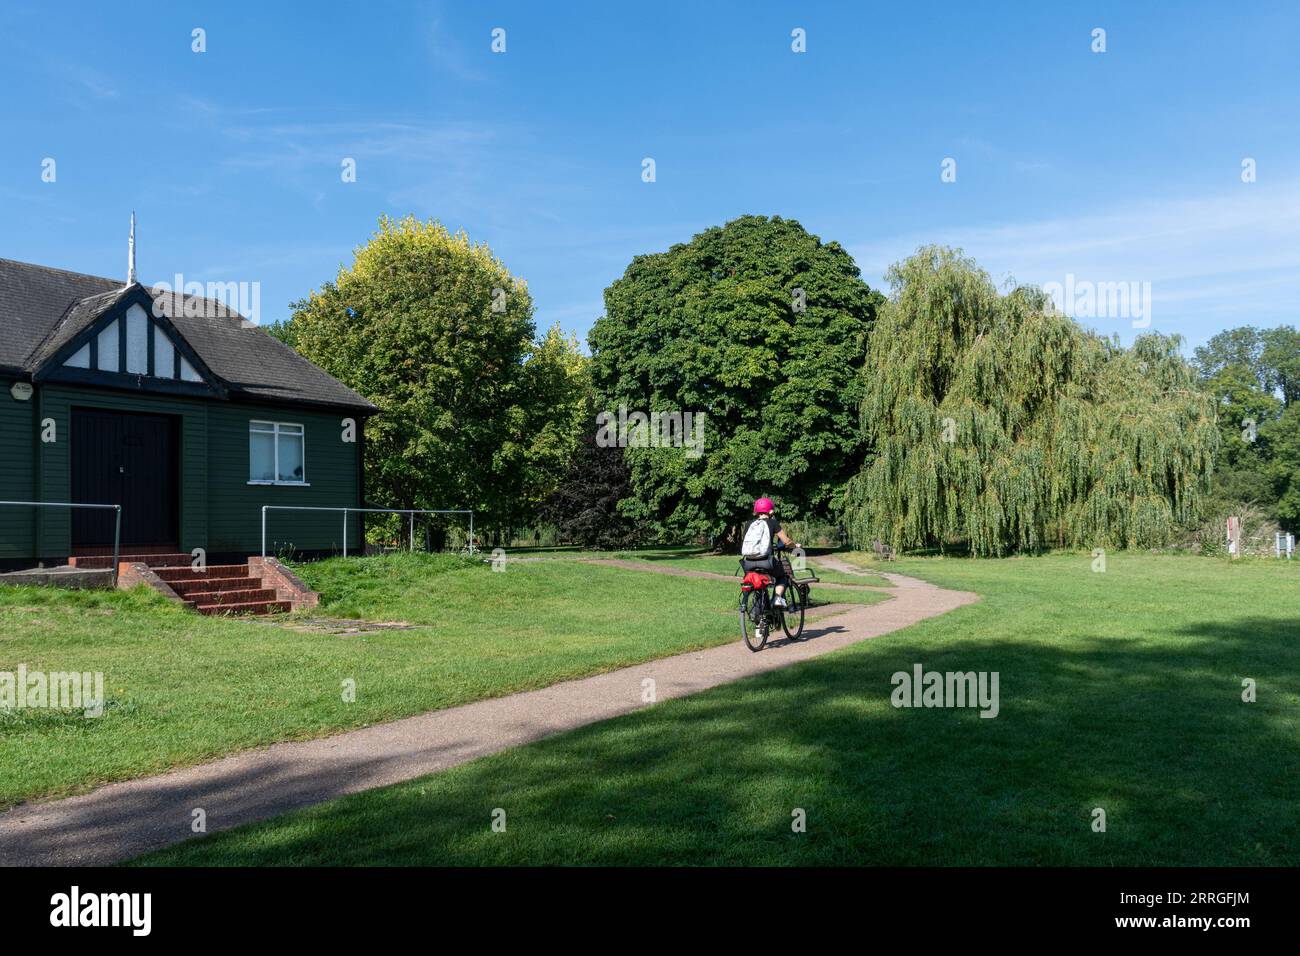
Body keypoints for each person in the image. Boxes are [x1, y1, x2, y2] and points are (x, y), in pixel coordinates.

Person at [740, 497, 801, 607]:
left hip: (747, 563)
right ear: (771, 511)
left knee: (757, 581)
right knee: (783, 576)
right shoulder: (773, 523)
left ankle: (760, 611)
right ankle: (777, 598)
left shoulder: (749, 524)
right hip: (766, 562)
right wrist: (795, 545)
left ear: (756, 511)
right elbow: (786, 541)